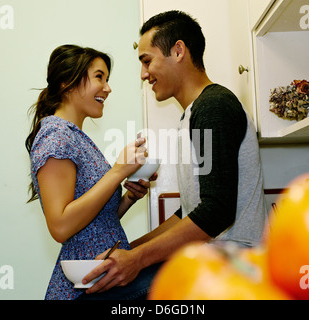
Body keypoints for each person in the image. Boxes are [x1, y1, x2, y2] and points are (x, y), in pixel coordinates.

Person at [83, 10, 268, 295]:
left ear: (178, 51)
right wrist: (130, 250)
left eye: (147, 61)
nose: (144, 74)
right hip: (209, 257)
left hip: (235, 265)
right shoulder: (192, 115)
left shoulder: (214, 106)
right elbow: (191, 214)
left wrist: (137, 259)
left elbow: (217, 212)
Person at [25, 44, 159, 300]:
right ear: (67, 83)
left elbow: (95, 223)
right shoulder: (56, 137)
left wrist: (129, 198)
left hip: (101, 280)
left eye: (107, 79)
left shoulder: (76, 137)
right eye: (99, 77)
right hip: (86, 289)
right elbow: (61, 226)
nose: (108, 88)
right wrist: (118, 172)